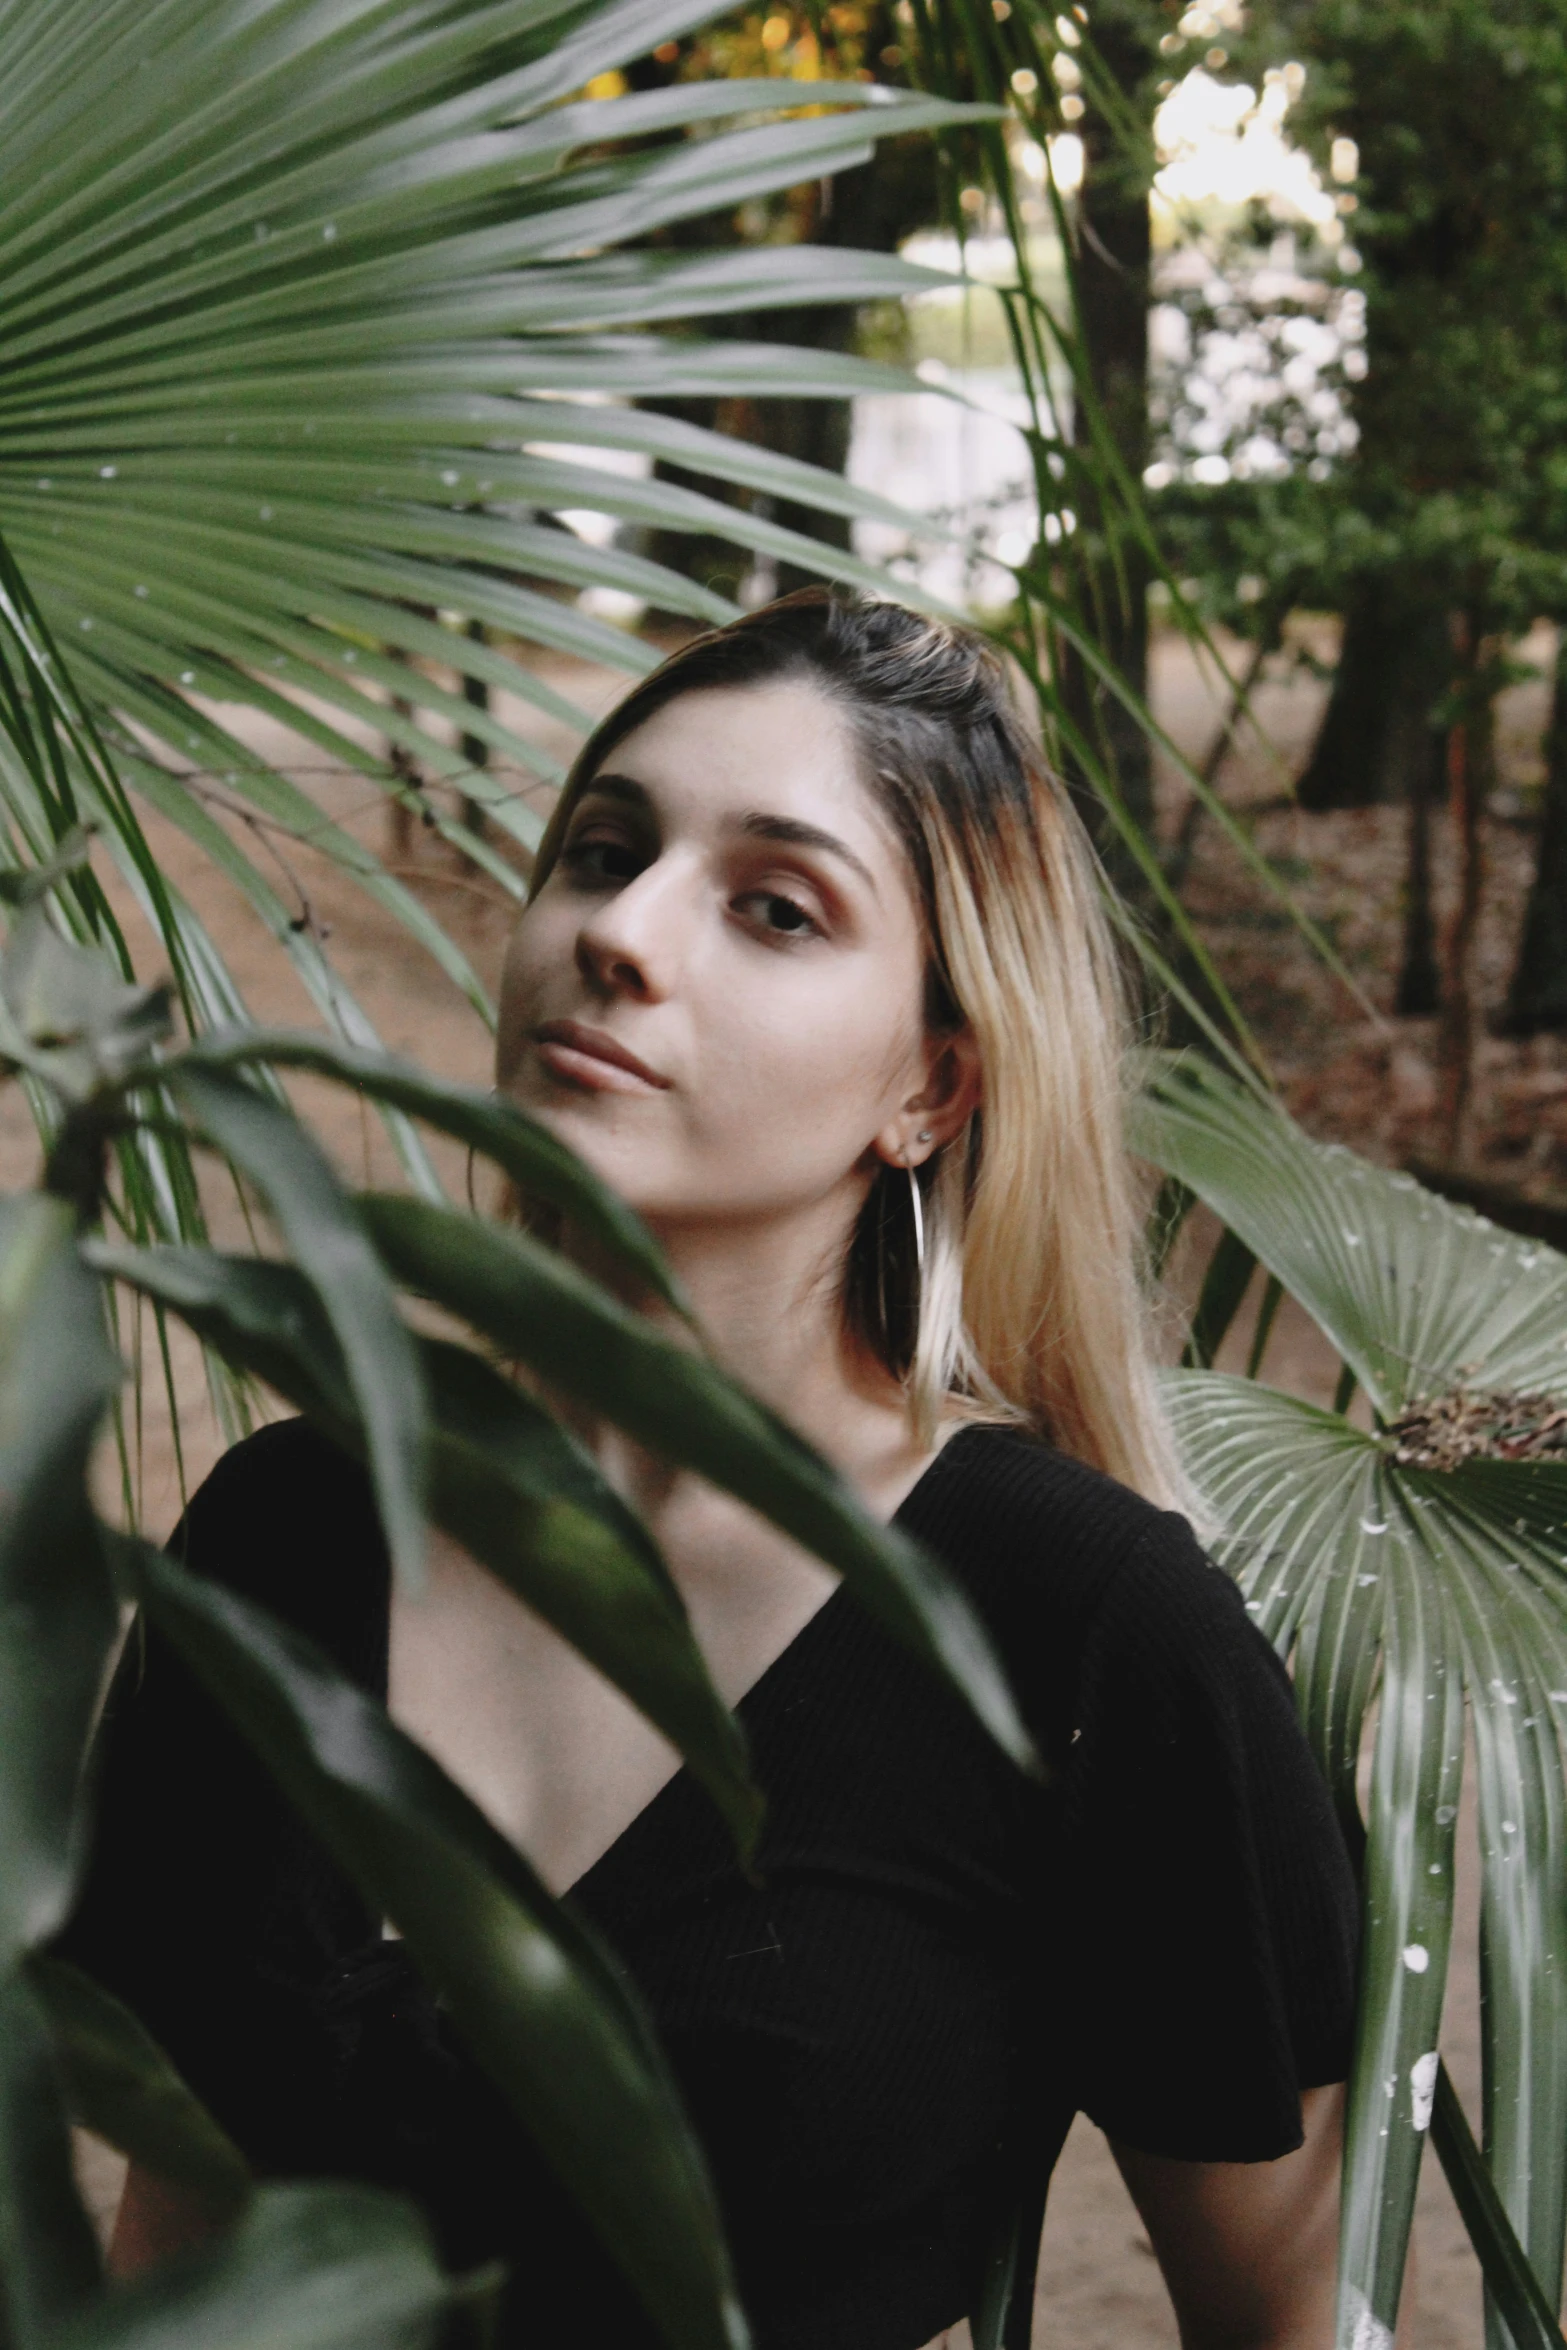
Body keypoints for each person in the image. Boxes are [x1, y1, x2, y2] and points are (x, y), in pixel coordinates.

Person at [63, 590, 1358, 2350]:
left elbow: (1275, 2327)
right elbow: (175, 2249)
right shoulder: (280, 1532)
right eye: (601, 850)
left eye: (772, 906)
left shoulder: (1088, 1634)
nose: (621, 931)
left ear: (931, 1083)